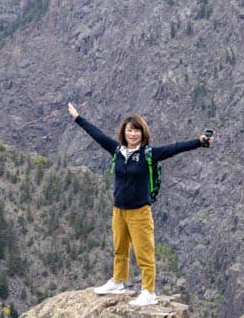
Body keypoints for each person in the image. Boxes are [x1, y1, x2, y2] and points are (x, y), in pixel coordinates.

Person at [68, 102, 212, 307]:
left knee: (144, 252)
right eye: (129, 130)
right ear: (123, 132)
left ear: (143, 133)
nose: (133, 134)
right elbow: (97, 135)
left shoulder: (149, 155)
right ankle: (118, 281)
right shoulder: (117, 151)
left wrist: (199, 141)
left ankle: (148, 291)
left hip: (140, 212)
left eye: (137, 130)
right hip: (119, 209)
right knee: (120, 248)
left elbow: (176, 147)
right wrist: (78, 118)